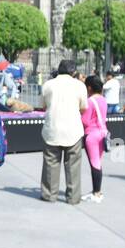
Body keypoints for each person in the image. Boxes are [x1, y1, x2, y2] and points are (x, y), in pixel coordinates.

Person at [40, 60, 88, 204]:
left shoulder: (48, 85)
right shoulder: (80, 86)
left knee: (51, 162)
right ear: (73, 72)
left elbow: (43, 106)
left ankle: (49, 194)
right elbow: (84, 107)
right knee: (73, 165)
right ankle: (73, 197)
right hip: (73, 130)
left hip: (52, 128)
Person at [81, 75, 109, 203]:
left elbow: (85, 120)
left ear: (89, 87)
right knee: (98, 162)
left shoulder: (90, 101)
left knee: (94, 164)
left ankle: (96, 193)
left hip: (91, 134)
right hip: (102, 133)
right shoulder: (103, 100)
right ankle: (97, 191)